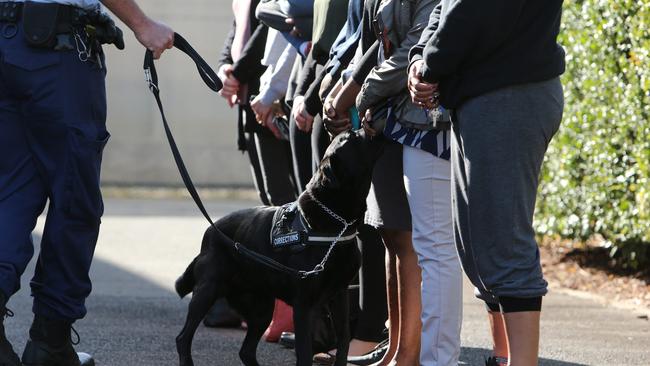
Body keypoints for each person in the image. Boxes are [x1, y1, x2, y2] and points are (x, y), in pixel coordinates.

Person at [0, 0, 173, 365]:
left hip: (7, 47)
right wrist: (142, 24)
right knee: (74, 198)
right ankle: (50, 342)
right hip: (59, 54)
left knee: (10, 194)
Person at [408, 1, 566, 365]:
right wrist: (421, 57)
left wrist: (429, 66)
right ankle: (504, 357)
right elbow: (445, 7)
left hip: (509, 93)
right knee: (479, 245)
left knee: (503, 242)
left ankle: (520, 361)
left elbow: (470, 8)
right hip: (485, 95)